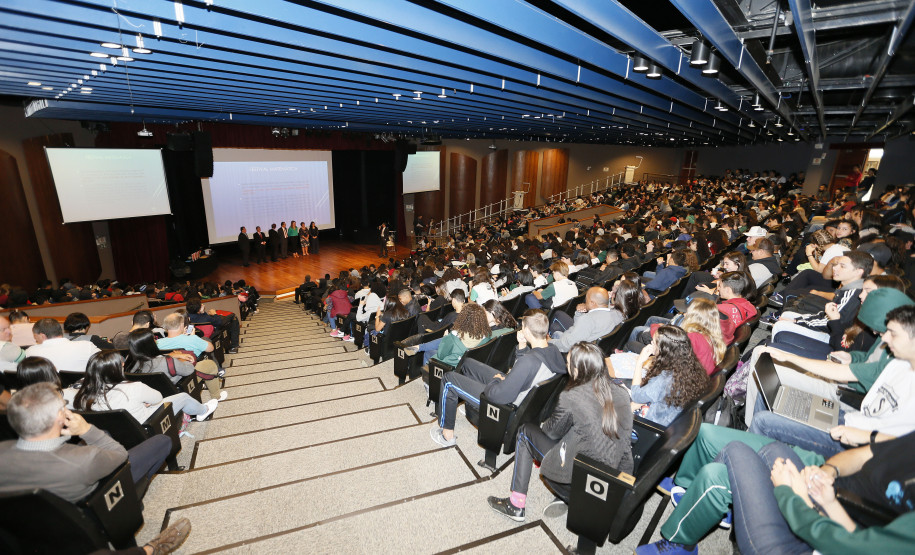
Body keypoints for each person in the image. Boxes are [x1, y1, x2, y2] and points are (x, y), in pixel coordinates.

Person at [635, 424, 915, 555]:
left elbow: (848, 547)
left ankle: (683, 542)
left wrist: (791, 496)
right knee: (773, 451)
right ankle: (723, 502)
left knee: (732, 454)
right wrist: (827, 481)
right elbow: (867, 454)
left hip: (803, 546)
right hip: (834, 510)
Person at [487, 343, 633, 521]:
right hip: (614, 479)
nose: (566, 365)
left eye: (568, 363)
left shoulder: (572, 396)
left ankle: (516, 505)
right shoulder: (622, 393)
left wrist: (545, 424)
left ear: (577, 370)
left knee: (525, 432)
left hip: (579, 477)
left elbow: (551, 433)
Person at [750, 304, 915, 458]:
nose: (885, 338)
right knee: (772, 394)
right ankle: (761, 450)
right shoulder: (897, 364)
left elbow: (905, 449)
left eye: (893, 333)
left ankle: (751, 459)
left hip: (861, 442)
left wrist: (867, 436)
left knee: (762, 421)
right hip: (849, 418)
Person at [0, 382, 171, 502]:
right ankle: (130, 500)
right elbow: (120, 455)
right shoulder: (85, 458)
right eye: (64, 405)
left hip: (48, 512)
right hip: (101, 498)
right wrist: (86, 430)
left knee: (103, 434)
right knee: (162, 441)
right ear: (60, 416)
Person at [431, 310, 567, 448]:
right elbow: (527, 371)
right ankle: (472, 403)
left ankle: (447, 435)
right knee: (468, 364)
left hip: (505, 407)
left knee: (449, 380)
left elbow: (498, 395)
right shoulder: (553, 350)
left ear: (526, 330)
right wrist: (522, 346)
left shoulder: (528, 362)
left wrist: (495, 381)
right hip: (517, 391)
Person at [73, 350, 220, 423]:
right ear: (117, 368)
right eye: (121, 363)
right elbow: (158, 398)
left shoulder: (82, 394)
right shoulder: (133, 387)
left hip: (119, 434)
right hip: (148, 423)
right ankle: (203, 411)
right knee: (183, 397)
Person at [627, 325, 709, 426]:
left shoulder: (665, 378)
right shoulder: (692, 366)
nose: (651, 343)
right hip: (673, 418)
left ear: (663, 350)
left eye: (653, 342)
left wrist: (639, 362)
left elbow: (636, 395)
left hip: (653, 424)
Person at [156, 312, 227, 400]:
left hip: (166, 378)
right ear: (182, 325)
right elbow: (210, 348)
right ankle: (216, 396)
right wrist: (193, 338)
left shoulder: (157, 343)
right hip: (186, 376)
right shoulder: (191, 339)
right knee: (210, 365)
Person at [405, 302, 490, 367]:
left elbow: (441, 355)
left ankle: (428, 380)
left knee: (428, 352)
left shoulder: (455, 335)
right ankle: (419, 347)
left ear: (463, 317)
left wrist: (446, 339)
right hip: (468, 363)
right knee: (447, 339)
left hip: (450, 366)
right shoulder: (486, 335)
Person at [549, 287, 623, 353]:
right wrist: (579, 313)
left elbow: (566, 346)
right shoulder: (617, 314)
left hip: (577, 352)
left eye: (586, 300)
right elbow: (579, 327)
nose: (585, 302)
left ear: (593, 303)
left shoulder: (588, 319)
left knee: (555, 332)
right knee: (555, 328)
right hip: (594, 350)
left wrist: (548, 341)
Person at [125, 329, 197, 385]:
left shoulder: (129, 362)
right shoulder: (167, 362)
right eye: (154, 339)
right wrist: (182, 360)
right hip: (174, 392)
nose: (156, 341)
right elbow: (189, 370)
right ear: (150, 344)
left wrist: (171, 355)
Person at [25, 318, 99, 372]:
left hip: (48, 389)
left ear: (42, 336)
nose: (35, 339)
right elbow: (104, 363)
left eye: (35, 336)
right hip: (82, 388)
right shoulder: (87, 346)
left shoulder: (30, 352)